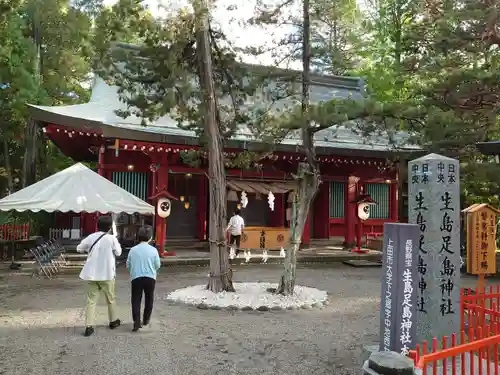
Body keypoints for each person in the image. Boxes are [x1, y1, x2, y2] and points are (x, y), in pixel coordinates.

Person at [76, 215, 122, 337]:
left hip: (92, 274)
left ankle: (89, 326)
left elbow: (79, 248)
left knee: (91, 301)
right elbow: (119, 252)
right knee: (110, 299)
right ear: (109, 227)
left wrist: (89, 251)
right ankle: (113, 321)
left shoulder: (91, 237)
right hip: (107, 274)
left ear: (98, 226)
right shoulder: (111, 239)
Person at [126, 226, 161, 332]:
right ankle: (146, 320)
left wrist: (133, 271)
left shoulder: (133, 250)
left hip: (136, 277)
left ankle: (136, 321)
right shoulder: (154, 250)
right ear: (150, 237)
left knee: (136, 299)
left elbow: (128, 264)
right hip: (150, 277)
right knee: (149, 298)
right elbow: (157, 265)